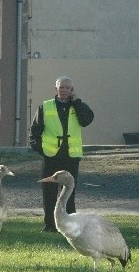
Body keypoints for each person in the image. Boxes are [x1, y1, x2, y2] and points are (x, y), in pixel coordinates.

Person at [29, 76, 94, 232]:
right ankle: (50, 225)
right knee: (49, 193)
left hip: (71, 156)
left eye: (67, 88)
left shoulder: (78, 106)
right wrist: (41, 149)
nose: (64, 90)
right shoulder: (45, 107)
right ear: (55, 89)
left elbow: (87, 120)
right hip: (51, 156)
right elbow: (34, 132)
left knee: (69, 193)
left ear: (72, 90)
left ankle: (70, 224)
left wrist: (77, 102)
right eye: (61, 87)